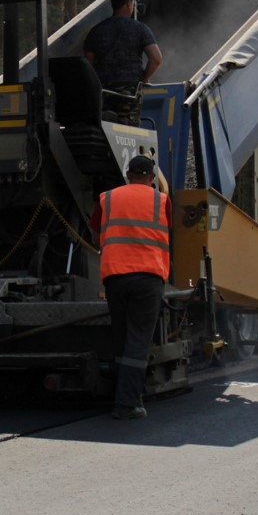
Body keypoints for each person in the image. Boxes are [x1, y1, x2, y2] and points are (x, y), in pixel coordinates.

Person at [90, 154, 171, 419]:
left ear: (128, 175)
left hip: (115, 276)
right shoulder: (161, 200)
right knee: (138, 341)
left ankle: (124, 395)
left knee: (122, 338)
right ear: (151, 178)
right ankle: (127, 403)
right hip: (148, 277)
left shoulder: (107, 199)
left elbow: (94, 233)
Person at [82, 0, 162, 126]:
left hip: (103, 91)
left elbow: (88, 65)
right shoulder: (140, 29)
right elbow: (156, 58)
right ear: (129, 4)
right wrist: (144, 78)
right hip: (129, 91)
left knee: (105, 130)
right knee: (128, 134)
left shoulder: (96, 31)